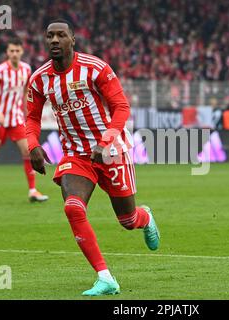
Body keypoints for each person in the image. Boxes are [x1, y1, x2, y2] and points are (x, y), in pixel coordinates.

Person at [26, 19, 160, 296]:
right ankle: (105, 277)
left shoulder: (95, 68)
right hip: (76, 154)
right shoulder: (39, 78)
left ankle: (145, 218)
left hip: (112, 152)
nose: (54, 40)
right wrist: (33, 145)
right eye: (49, 36)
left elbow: (121, 107)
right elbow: (32, 117)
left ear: (72, 40)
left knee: (127, 220)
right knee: (73, 207)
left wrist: (105, 140)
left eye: (60, 35)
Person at [0, 36, 48, 205]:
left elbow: (25, 92)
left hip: (16, 118)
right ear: (7, 52)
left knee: (27, 151)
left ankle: (32, 190)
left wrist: (27, 111)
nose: (14, 54)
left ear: (22, 51)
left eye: (17, 51)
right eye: (11, 51)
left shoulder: (26, 69)